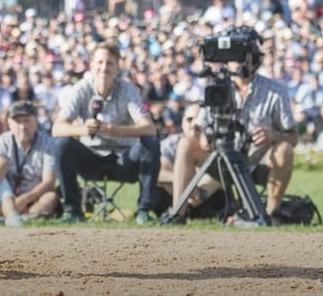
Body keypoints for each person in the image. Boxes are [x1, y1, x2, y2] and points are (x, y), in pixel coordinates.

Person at [167, 26, 297, 224]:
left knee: (285, 149)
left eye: (243, 56)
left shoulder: (275, 91)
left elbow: (293, 137)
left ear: (256, 59)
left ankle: (271, 214)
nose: (237, 63)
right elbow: (201, 133)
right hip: (219, 159)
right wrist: (202, 135)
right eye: (234, 57)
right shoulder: (216, 87)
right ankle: (179, 212)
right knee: (186, 144)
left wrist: (274, 136)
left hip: (257, 160)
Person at [51, 42, 161, 224]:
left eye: (110, 63)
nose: (104, 68)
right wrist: (82, 129)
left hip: (123, 160)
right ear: (92, 65)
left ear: (118, 67)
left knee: (151, 143)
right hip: (90, 158)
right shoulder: (81, 88)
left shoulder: (127, 89)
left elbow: (149, 128)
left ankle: (144, 210)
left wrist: (118, 131)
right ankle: (72, 210)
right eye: (100, 62)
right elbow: (57, 128)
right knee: (62, 144)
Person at [0, 100, 60, 226]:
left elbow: (49, 182)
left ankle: (18, 216)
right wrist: (11, 202)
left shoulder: (48, 143)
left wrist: (24, 200)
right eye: (18, 122)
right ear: (9, 123)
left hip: (34, 198)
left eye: (27, 121)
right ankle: (11, 213)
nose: (23, 127)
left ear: (36, 121)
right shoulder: (2, 142)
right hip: (5, 197)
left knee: (50, 197)